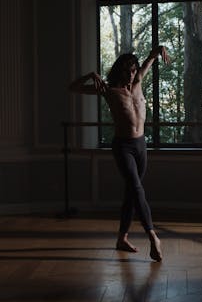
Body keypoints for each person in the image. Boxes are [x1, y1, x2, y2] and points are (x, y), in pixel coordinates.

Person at [68, 45, 170, 264]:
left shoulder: (139, 81)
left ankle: (121, 238)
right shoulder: (108, 90)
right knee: (136, 187)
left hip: (141, 145)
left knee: (131, 192)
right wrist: (89, 75)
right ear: (120, 71)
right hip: (123, 146)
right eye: (128, 70)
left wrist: (158, 50)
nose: (132, 74)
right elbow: (73, 88)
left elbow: (149, 59)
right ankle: (153, 236)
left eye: (134, 70)